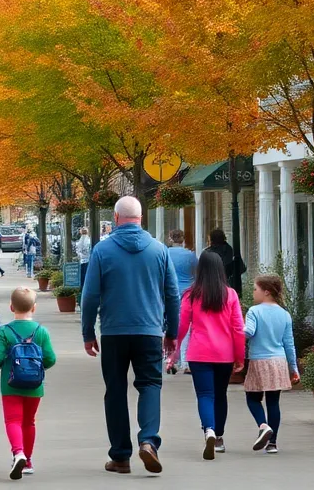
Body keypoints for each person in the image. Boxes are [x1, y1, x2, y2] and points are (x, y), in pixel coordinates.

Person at [80, 195, 180, 475]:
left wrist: (88, 332)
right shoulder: (159, 250)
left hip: (113, 331)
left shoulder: (102, 250)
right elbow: (172, 295)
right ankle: (148, 440)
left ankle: (121, 456)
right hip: (149, 330)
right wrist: (172, 331)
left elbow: (89, 296)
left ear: (115, 218)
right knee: (150, 385)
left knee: (115, 390)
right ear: (141, 218)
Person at [177, 250, 244, 460]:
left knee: (205, 395)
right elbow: (238, 329)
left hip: (199, 353)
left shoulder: (191, 295)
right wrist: (240, 357)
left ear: (200, 270)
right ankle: (220, 438)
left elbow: (182, 325)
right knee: (220, 394)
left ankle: (209, 430)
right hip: (224, 354)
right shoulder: (230, 294)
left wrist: (175, 349)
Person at [0, 287, 58, 480]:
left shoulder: (3, 332)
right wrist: (36, 369)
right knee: (29, 422)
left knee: (13, 420)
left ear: (11, 307)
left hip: (10, 386)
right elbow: (50, 359)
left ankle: (18, 452)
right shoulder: (41, 332)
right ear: (34, 308)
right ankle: (28, 461)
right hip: (35, 386)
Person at [243, 274, 299, 454]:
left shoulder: (254, 311)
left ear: (266, 292)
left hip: (260, 360)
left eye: (255, 289)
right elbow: (289, 343)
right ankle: (272, 443)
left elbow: (249, 332)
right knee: (273, 402)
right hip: (279, 361)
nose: (253, 292)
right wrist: (294, 368)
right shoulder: (284, 314)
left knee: (252, 398)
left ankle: (263, 425)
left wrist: (233, 328)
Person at [165, 230, 197, 375]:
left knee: (170, 326)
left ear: (170, 239)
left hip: (169, 293)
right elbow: (197, 273)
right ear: (183, 239)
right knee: (186, 327)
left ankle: (169, 359)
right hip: (187, 293)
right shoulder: (190, 255)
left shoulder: (165, 253)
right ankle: (185, 362)